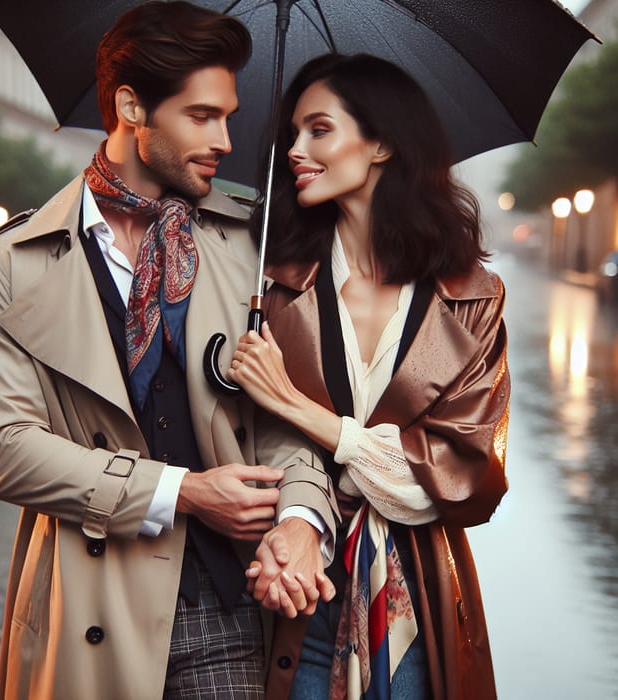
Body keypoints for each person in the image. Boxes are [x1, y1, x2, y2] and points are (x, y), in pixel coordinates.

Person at [0, 4, 338, 699]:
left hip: (226, 604)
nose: (225, 138)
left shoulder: (247, 248)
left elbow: (290, 422)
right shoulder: (14, 263)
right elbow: (6, 449)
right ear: (132, 106)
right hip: (85, 610)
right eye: (202, 115)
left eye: (228, 115)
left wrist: (298, 520)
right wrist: (186, 493)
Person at [229, 53, 510, 700]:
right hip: (288, 585)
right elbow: (241, 438)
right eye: (292, 133)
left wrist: (307, 414)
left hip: (416, 601)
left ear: (381, 142)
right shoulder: (265, 283)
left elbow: (463, 479)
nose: (296, 149)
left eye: (319, 129)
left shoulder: (471, 298)